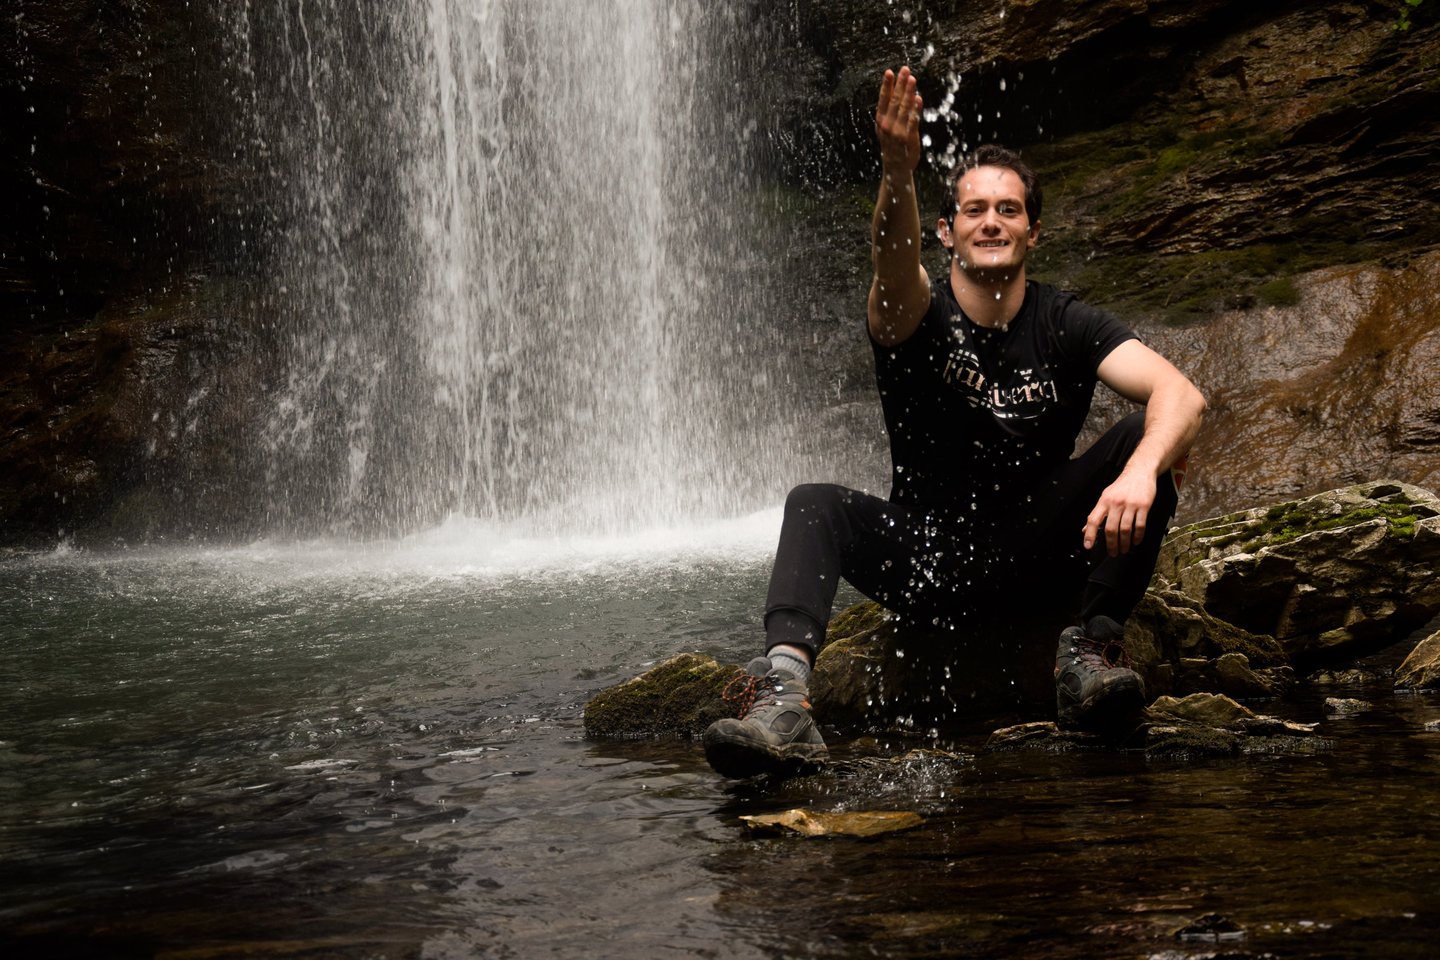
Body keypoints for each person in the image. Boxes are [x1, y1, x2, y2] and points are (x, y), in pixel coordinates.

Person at [702, 66, 1206, 779]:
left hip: (1042, 558)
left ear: (1033, 230)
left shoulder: (1066, 321)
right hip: (930, 562)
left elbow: (1181, 394)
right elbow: (891, 261)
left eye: (1008, 209)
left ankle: (1088, 653)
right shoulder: (915, 311)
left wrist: (1140, 472)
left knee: (1149, 441)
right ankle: (784, 696)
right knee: (813, 503)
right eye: (973, 210)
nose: (991, 221)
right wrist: (897, 173)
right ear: (946, 232)